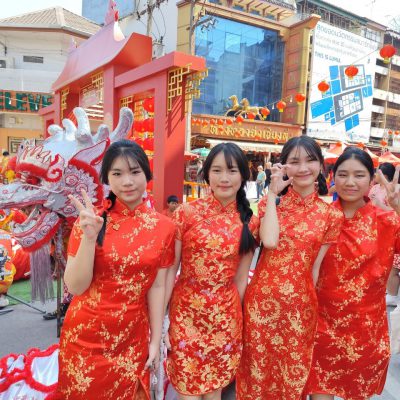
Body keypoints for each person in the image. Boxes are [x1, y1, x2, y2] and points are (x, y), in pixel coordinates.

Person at [54, 140, 176, 399]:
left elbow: (157, 286)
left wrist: (155, 339)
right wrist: (89, 238)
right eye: (117, 174)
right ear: (107, 179)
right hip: (85, 339)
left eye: (135, 172)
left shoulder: (165, 227)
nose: (127, 182)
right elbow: (75, 287)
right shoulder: (91, 221)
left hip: (132, 338)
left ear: (147, 174)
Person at [236, 136, 343, 400]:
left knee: (291, 379)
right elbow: (269, 241)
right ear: (283, 166)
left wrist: (311, 307)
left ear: (320, 165)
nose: (303, 168)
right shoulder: (269, 204)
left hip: (300, 309)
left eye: (310, 160)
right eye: (294, 162)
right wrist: (273, 194)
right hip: (261, 306)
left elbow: (315, 268)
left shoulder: (331, 215)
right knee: (257, 376)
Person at [165, 142, 259, 400]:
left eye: (232, 170)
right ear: (207, 174)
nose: (224, 178)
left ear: (243, 175)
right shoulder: (186, 213)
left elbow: (241, 279)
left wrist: (238, 323)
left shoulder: (250, 221)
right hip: (186, 314)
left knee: (214, 392)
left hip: (225, 319)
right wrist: (163, 321)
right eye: (217, 170)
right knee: (187, 391)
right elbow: (170, 270)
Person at [304, 147, 400, 400]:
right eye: (343, 174)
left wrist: (399, 209)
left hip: (364, 332)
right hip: (319, 327)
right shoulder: (320, 218)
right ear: (333, 176)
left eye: (359, 175)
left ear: (372, 178)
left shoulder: (387, 220)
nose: (350, 182)